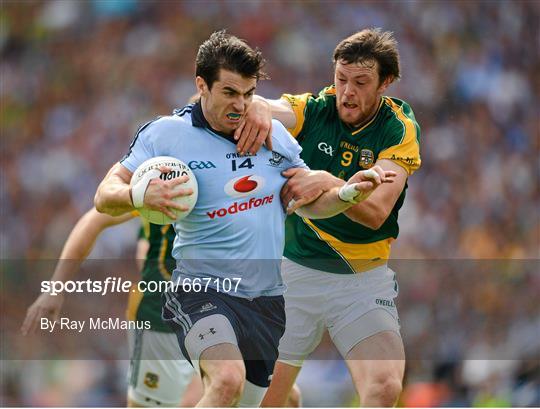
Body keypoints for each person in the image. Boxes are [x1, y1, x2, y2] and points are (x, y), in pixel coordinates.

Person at [94, 30, 395, 407]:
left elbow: (309, 201)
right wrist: (137, 194)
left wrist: (350, 193)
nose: (241, 105)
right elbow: (104, 196)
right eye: (230, 93)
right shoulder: (166, 135)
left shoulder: (273, 136)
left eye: (249, 94)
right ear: (201, 85)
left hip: (266, 300)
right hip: (201, 290)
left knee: (279, 400)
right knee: (226, 381)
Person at [234, 28, 421, 406]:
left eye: (360, 82)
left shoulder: (397, 129)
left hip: (361, 280)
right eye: (341, 79)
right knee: (262, 401)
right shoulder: (317, 108)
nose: (347, 92)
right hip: (293, 276)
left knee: (384, 387)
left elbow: (375, 212)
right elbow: (272, 108)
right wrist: (255, 105)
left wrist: (328, 181)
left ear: (385, 83)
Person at [21, 208, 203, 407]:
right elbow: (94, 220)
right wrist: (56, 288)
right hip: (159, 320)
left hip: (218, 311)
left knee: (221, 387)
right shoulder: (157, 185)